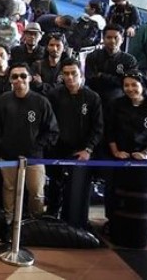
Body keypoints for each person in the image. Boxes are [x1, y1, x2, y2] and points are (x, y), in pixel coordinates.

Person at [105, 72, 147, 238]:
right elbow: (109, 131)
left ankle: (137, 229)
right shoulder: (116, 105)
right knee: (114, 194)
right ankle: (112, 225)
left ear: (143, 86)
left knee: (137, 199)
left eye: (134, 85)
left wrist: (146, 152)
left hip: (140, 161)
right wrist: (116, 151)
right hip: (118, 158)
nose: (130, 89)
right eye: (126, 85)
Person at [0, 63, 59, 222]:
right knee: (9, 189)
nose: (19, 80)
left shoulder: (41, 102)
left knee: (36, 192)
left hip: (34, 157)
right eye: (14, 76)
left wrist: (36, 146)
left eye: (23, 76)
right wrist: (3, 143)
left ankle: (35, 223)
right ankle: (10, 222)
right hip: (8, 155)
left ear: (30, 78)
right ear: (10, 80)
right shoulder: (4, 100)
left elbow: (52, 130)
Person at [45, 58, 103, 226]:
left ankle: (74, 221)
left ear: (81, 75)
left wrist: (88, 149)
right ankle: (52, 215)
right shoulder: (54, 95)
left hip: (81, 151)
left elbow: (98, 127)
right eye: (66, 74)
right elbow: (48, 122)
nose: (70, 78)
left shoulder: (92, 98)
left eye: (74, 74)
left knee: (76, 188)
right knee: (54, 184)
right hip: (57, 148)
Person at [85, 24, 139, 113]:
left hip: (118, 100)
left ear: (122, 39)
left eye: (116, 37)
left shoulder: (129, 60)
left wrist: (102, 75)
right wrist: (116, 79)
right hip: (95, 98)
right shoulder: (93, 56)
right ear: (103, 39)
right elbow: (90, 78)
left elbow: (128, 84)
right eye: (109, 37)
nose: (112, 41)